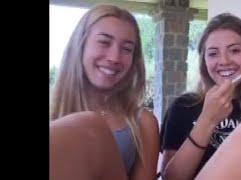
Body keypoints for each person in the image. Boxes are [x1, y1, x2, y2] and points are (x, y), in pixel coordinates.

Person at [50, 4, 159, 180]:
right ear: (80, 45)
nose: (114, 57)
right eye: (104, 42)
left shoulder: (142, 123)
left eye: (126, 49)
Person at [159, 13, 241, 180]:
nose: (224, 61)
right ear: (204, 60)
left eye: (234, 50)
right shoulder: (184, 106)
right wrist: (207, 120)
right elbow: (172, 178)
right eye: (213, 53)